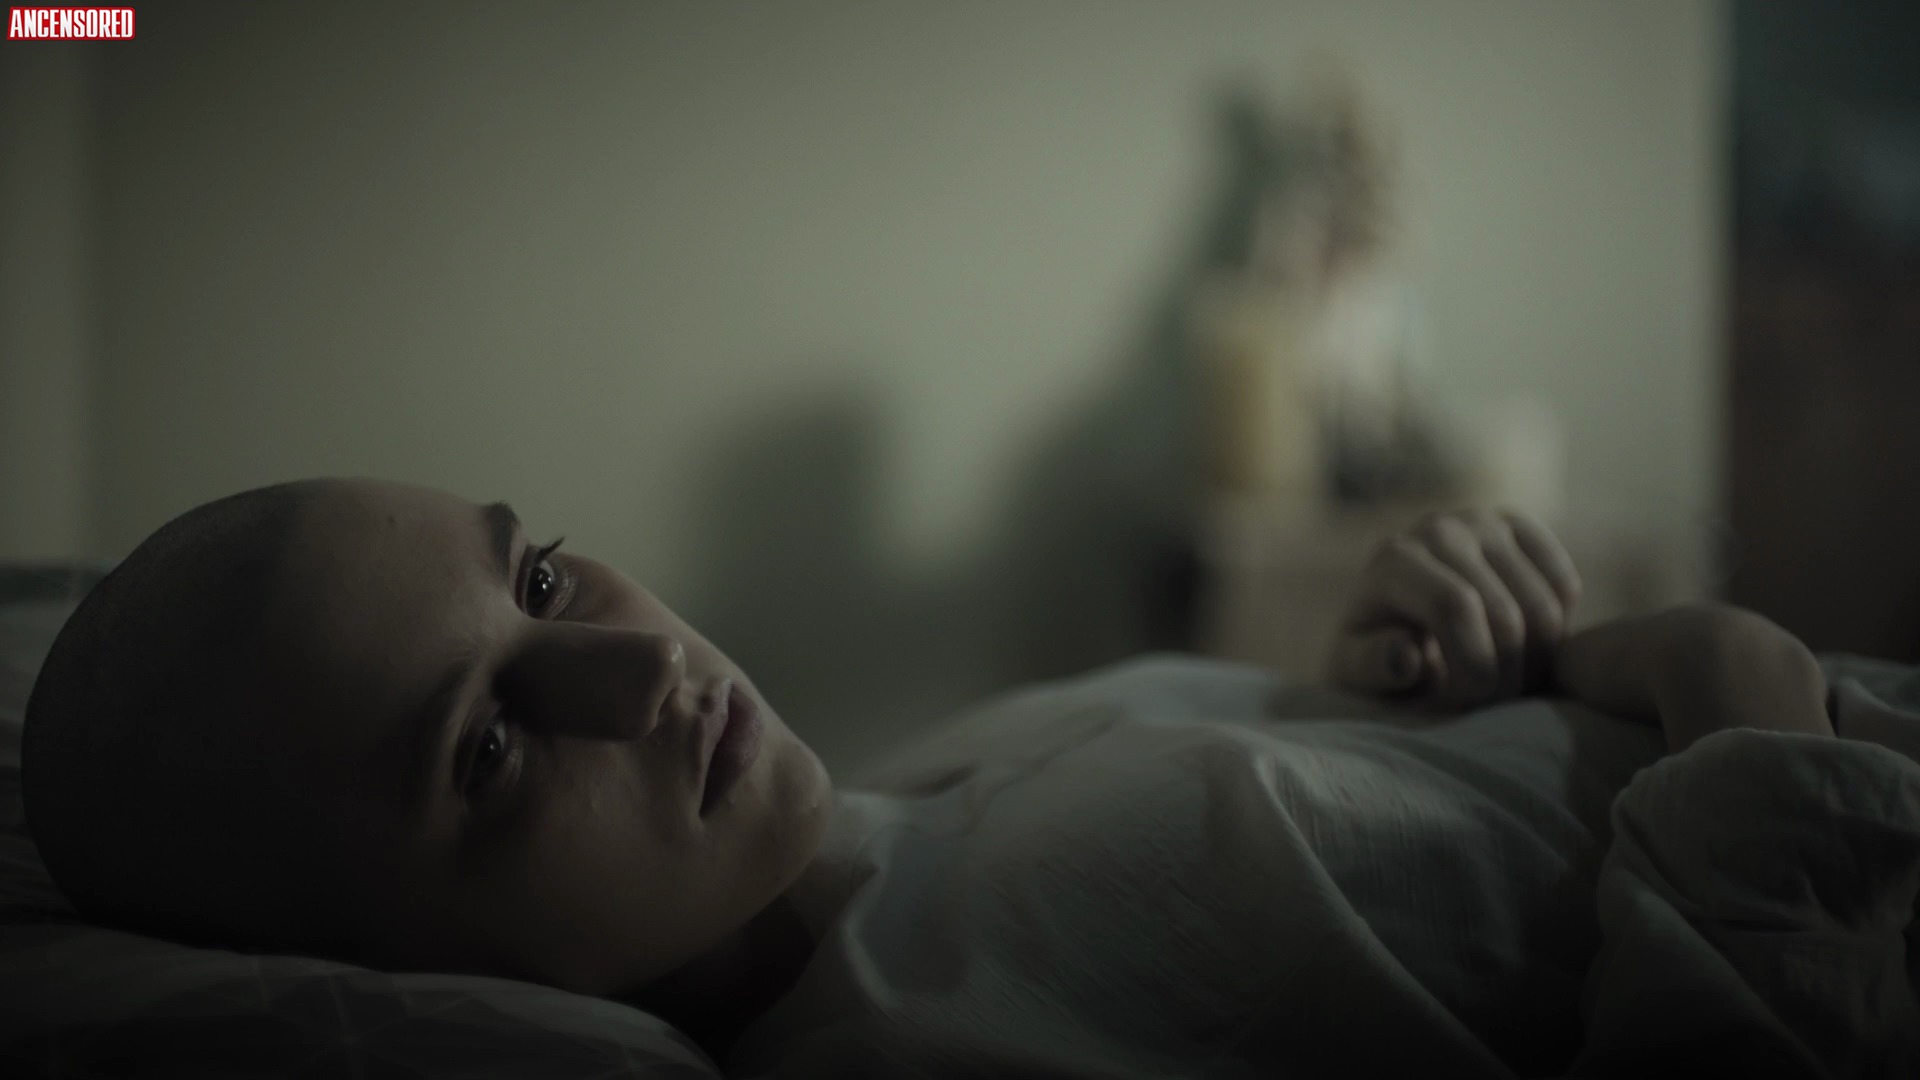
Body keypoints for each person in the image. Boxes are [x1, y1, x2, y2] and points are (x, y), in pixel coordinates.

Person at [17, 478, 1848, 1075]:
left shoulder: (898, 797)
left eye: (545, 581)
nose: (646, 672)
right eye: (488, 750)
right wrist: (1735, 699)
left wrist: (1439, 679)